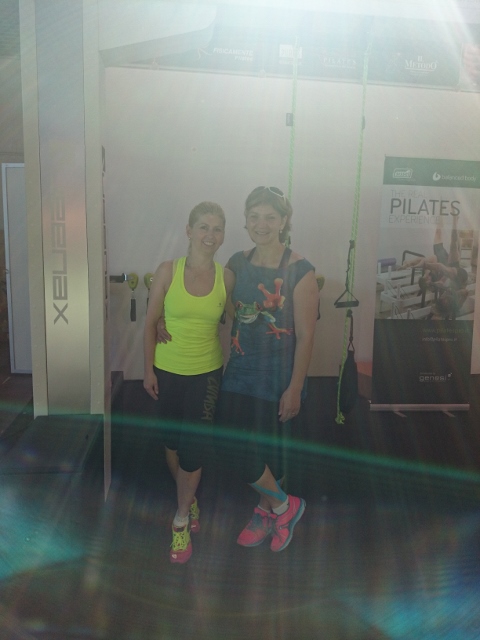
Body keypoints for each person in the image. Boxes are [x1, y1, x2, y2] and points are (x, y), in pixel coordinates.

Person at [216, 186, 319, 553]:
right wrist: (165, 319)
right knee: (230, 444)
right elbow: (214, 303)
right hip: (239, 373)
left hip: (278, 379)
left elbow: (306, 336)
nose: (261, 224)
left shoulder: (301, 270)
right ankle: (285, 506)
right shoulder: (236, 262)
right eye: (254, 216)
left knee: (269, 453)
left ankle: (265, 514)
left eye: (270, 217)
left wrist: (295, 388)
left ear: (283, 221)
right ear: (245, 220)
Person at [143, 201, 234, 564]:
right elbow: (150, 323)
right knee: (172, 443)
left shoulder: (227, 278)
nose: (210, 235)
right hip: (167, 371)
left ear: (223, 235)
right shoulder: (168, 271)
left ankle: (180, 519)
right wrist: (148, 371)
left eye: (217, 228)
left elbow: (238, 320)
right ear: (189, 230)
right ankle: (189, 500)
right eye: (204, 227)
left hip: (206, 374)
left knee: (194, 449)